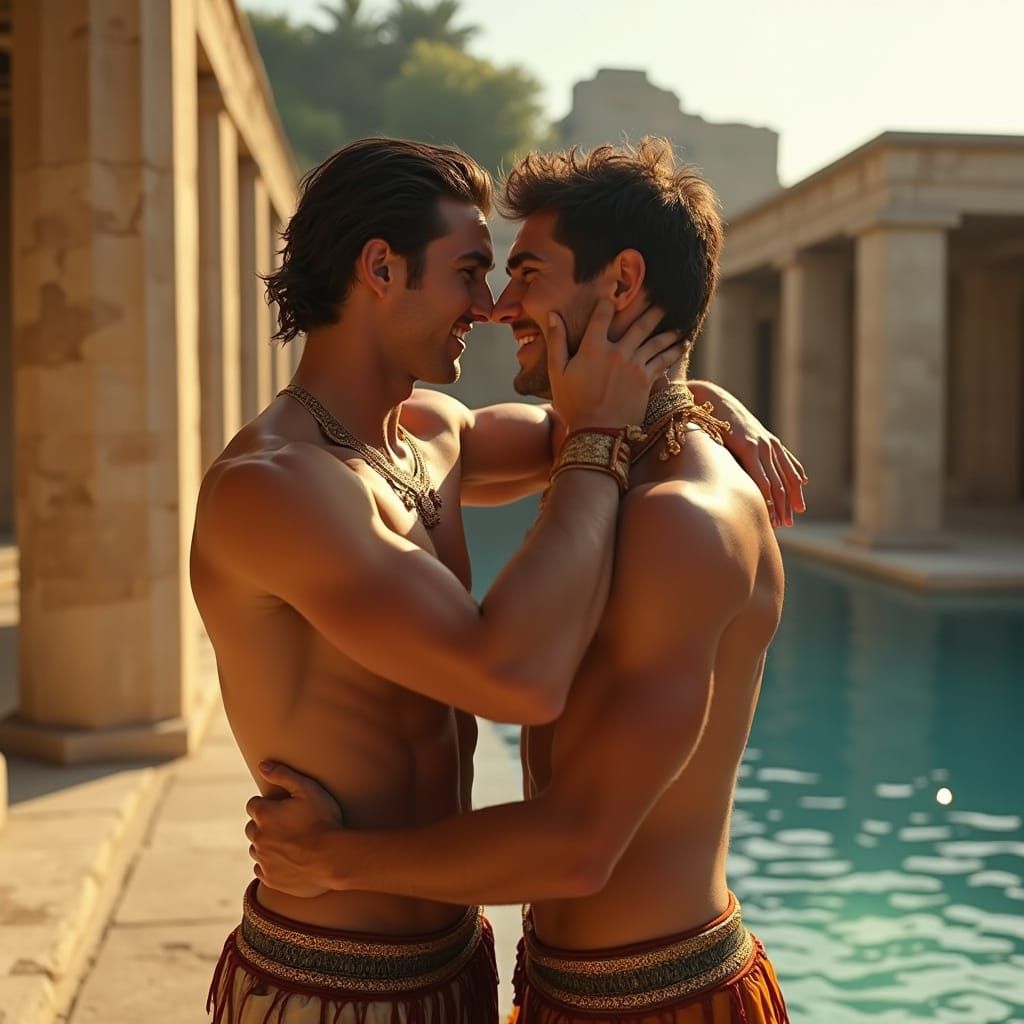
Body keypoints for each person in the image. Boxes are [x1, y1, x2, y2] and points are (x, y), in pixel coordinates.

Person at [192, 136, 794, 1024]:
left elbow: (597, 422)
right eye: (473, 271)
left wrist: (699, 395)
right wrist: (333, 865)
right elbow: (515, 672)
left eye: (513, 274)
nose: (491, 303)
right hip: (330, 981)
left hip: (479, 966)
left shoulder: (432, 431)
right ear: (382, 269)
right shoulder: (275, 488)